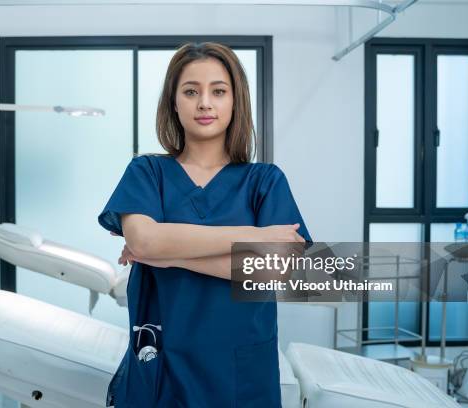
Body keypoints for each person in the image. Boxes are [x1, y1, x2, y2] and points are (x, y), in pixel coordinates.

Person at [98, 41, 312, 408]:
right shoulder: (147, 172)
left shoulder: (264, 181)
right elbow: (145, 242)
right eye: (191, 91)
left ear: (235, 101)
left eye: (218, 91)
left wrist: (168, 255)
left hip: (240, 372)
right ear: (173, 102)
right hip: (164, 364)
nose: (205, 103)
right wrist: (255, 237)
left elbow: (280, 271)